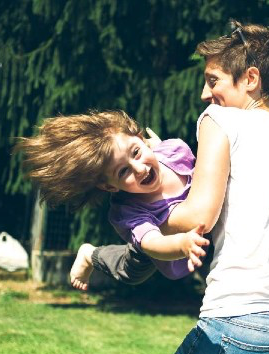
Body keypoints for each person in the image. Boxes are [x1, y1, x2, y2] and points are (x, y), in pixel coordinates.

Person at [146, 21, 269, 354]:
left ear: (250, 78)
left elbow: (199, 215)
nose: (205, 94)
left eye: (214, 80)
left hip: (239, 321)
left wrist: (148, 214)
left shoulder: (220, 121)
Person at [14, 110, 211, 287]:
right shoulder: (130, 211)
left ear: (141, 139)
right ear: (110, 186)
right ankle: (90, 255)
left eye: (136, 152)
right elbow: (152, 243)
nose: (140, 169)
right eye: (123, 171)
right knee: (130, 271)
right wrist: (181, 244)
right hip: (162, 243)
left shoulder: (174, 152)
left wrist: (151, 147)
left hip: (205, 232)